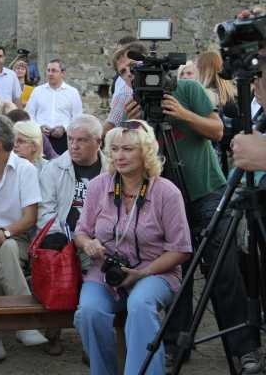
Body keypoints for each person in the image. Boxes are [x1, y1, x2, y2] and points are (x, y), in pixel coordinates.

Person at [124, 79, 263, 372]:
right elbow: (123, 151)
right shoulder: (135, 102)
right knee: (177, 272)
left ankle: (243, 349)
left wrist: (183, 114)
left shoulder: (187, 90)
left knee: (224, 271)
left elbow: (218, 130)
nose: (132, 77)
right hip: (165, 201)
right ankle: (177, 344)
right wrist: (131, 124)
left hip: (207, 191)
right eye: (126, 73)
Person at [73, 120, 192, 375]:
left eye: (127, 149)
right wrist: (89, 244)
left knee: (140, 305)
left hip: (154, 271)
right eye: (114, 149)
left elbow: (181, 249)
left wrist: (143, 273)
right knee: (90, 312)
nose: (119, 156)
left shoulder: (166, 192)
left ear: (146, 152)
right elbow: (81, 232)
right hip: (106, 272)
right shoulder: (98, 186)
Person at [0, 114, 48, 362]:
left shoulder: (25, 170)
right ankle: (25, 323)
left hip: (17, 236)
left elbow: (30, 217)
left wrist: (5, 232)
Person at [36, 114, 106, 355]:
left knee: (99, 270)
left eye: (81, 140)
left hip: (98, 240)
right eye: (70, 139)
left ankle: (91, 340)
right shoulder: (54, 168)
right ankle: (53, 330)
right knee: (57, 259)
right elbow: (45, 212)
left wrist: (93, 240)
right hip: (62, 238)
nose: (74, 146)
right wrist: (69, 237)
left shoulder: (111, 170)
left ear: (98, 142)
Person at [26, 59, 83, 154]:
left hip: (64, 139)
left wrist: (64, 128)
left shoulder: (73, 93)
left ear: (63, 73)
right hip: (39, 138)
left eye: (54, 71)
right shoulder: (37, 91)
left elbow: (78, 118)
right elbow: (29, 115)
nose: (50, 74)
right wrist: (39, 127)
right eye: (48, 70)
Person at [196, 51, 238, 175]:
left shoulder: (204, 97)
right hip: (235, 162)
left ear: (203, 70)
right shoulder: (234, 96)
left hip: (211, 163)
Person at [103, 42, 147, 136]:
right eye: (123, 71)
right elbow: (110, 134)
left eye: (133, 65)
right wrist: (131, 123)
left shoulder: (177, 90)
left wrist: (179, 114)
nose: (129, 73)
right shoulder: (127, 102)